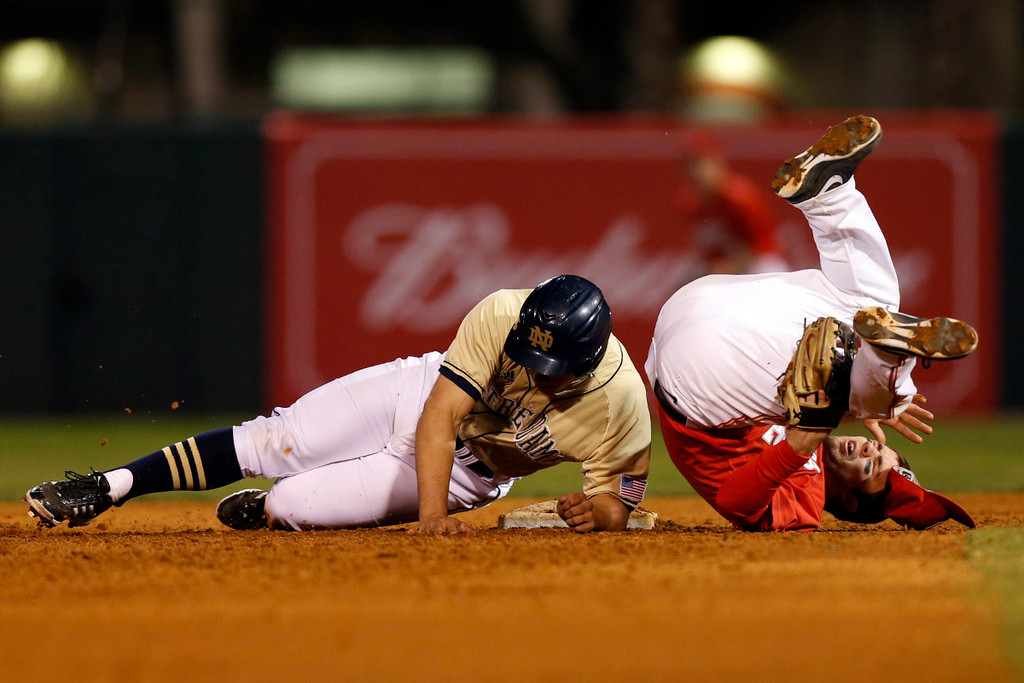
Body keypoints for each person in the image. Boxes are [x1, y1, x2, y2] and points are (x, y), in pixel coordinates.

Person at [26, 275, 652, 535]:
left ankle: (275, 503)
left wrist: (597, 511)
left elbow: (622, 506)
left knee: (292, 503)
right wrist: (431, 520)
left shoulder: (620, 405)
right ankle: (111, 485)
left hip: (471, 475)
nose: (531, 370)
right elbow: (440, 415)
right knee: (279, 440)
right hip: (418, 396)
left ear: (588, 359)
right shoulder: (504, 311)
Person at [646, 115, 978, 532]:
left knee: (854, 379)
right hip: (701, 311)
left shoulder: (804, 501)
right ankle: (827, 194)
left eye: (870, 468)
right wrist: (861, 402)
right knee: (867, 305)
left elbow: (735, 501)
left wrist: (804, 439)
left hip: (695, 385)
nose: (867, 449)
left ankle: (887, 370)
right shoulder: (822, 421)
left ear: (851, 501)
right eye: (880, 451)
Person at [676, 130, 789, 278]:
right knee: (688, 282)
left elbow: (763, 245)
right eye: (692, 165)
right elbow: (707, 251)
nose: (699, 172)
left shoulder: (741, 197)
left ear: (719, 163)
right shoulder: (689, 204)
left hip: (756, 263)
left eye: (704, 164)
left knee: (768, 267)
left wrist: (730, 267)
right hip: (725, 266)